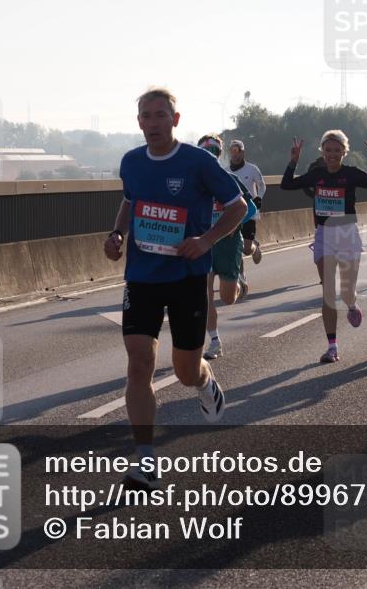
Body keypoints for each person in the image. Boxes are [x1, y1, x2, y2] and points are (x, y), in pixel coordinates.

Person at [104, 88, 246, 490]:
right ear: (138, 123)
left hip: (186, 278)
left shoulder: (197, 162)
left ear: (175, 119)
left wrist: (206, 240)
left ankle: (205, 382)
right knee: (138, 364)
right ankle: (145, 460)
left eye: (160, 115)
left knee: (185, 370)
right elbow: (130, 202)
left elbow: (237, 206)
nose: (153, 123)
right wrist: (116, 235)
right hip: (142, 277)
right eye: (146, 116)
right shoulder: (131, 162)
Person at [280, 131, 367, 363]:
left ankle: (351, 304)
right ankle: (332, 347)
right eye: (328, 150)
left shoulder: (351, 174)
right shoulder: (317, 174)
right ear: (322, 151)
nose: (332, 155)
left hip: (347, 234)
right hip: (324, 235)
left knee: (346, 291)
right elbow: (287, 185)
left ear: (344, 152)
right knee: (328, 293)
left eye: (336, 150)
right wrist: (294, 160)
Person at [199, 135, 258, 360]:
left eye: (214, 151)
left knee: (227, 298)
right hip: (204, 243)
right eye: (205, 151)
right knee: (204, 295)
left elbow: (250, 210)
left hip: (228, 244)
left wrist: (235, 225)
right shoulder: (194, 183)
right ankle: (214, 341)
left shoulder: (229, 178)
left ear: (218, 155)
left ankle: (239, 282)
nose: (210, 155)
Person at [228, 140, 266, 264]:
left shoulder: (252, 169)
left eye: (238, 151)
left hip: (249, 212)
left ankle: (254, 247)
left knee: (246, 249)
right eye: (233, 151)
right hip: (233, 213)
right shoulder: (225, 171)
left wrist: (259, 198)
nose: (235, 154)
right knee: (234, 246)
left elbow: (262, 186)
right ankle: (240, 276)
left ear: (243, 152)